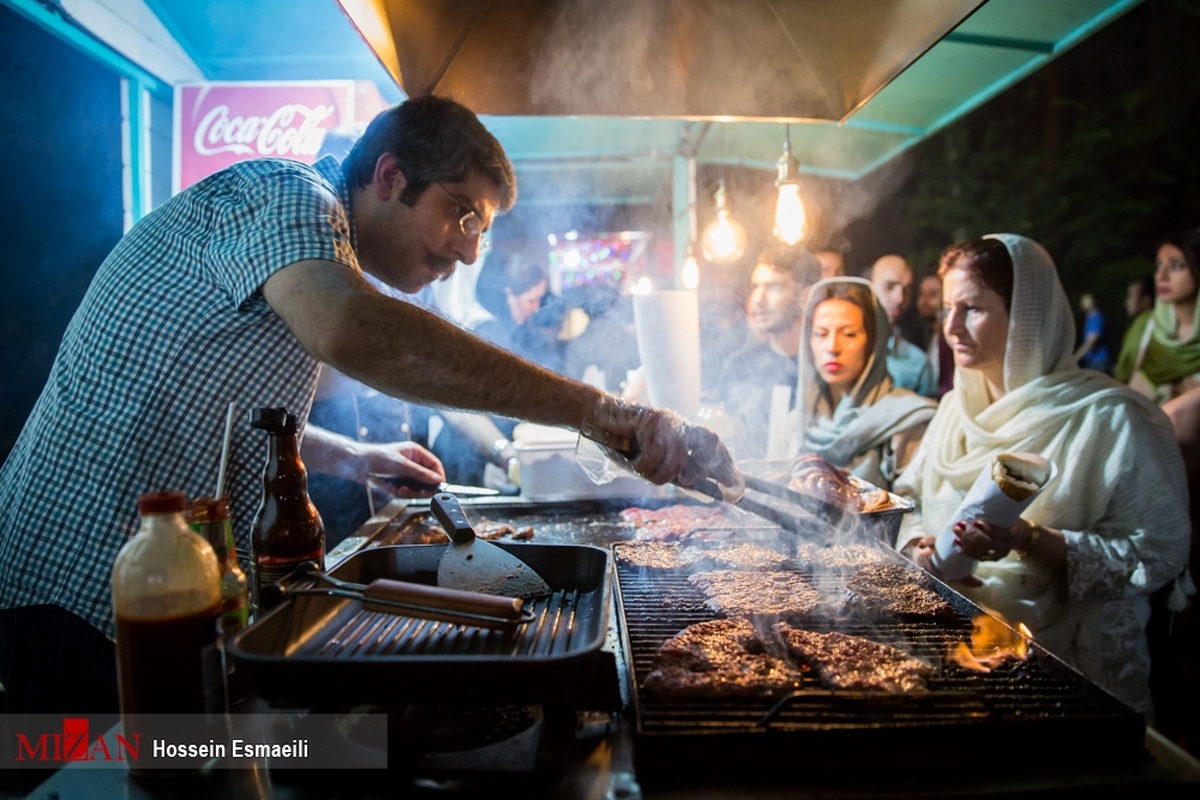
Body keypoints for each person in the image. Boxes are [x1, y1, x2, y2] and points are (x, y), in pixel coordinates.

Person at [0, 95, 738, 714]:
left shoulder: (311, 250)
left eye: (483, 226)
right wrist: (608, 414)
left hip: (163, 588)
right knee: (103, 775)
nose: (471, 251)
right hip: (74, 600)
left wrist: (356, 456)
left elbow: (232, 407)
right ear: (389, 176)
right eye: (462, 214)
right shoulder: (285, 193)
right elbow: (355, 327)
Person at [894, 234, 1191, 717]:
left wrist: (1027, 540)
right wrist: (919, 546)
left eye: (973, 309)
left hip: (1069, 673)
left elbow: (1154, 553)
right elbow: (907, 497)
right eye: (948, 307)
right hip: (951, 656)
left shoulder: (1107, 419)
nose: (951, 326)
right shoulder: (953, 411)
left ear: (1027, 315)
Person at [790, 278, 936, 490]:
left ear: (873, 342)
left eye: (849, 334)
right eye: (821, 333)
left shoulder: (907, 422)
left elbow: (915, 514)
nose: (832, 347)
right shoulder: (800, 422)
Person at [720, 247, 822, 460]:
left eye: (774, 287)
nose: (759, 299)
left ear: (806, 296)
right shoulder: (739, 367)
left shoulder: (826, 370)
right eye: (756, 287)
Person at [1115, 227, 1200, 403]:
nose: (1162, 276)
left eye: (1176, 265)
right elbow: (1121, 385)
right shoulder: (1145, 327)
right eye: (1159, 265)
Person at [868, 254, 936, 397]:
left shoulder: (918, 363)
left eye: (907, 290)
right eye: (889, 287)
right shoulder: (839, 347)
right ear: (869, 287)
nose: (899, 299)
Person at [916, 270, 955, 399]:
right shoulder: (923, 334)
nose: (924, 301)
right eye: (922, 294)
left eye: (933, 294)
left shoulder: (951, 338)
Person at [1073, 292, 1112, 373]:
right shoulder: (1090, 318)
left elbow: (1092, 341)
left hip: (1098, 361)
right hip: (1092, 361)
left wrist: (1076, 357)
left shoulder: (1096, 317)